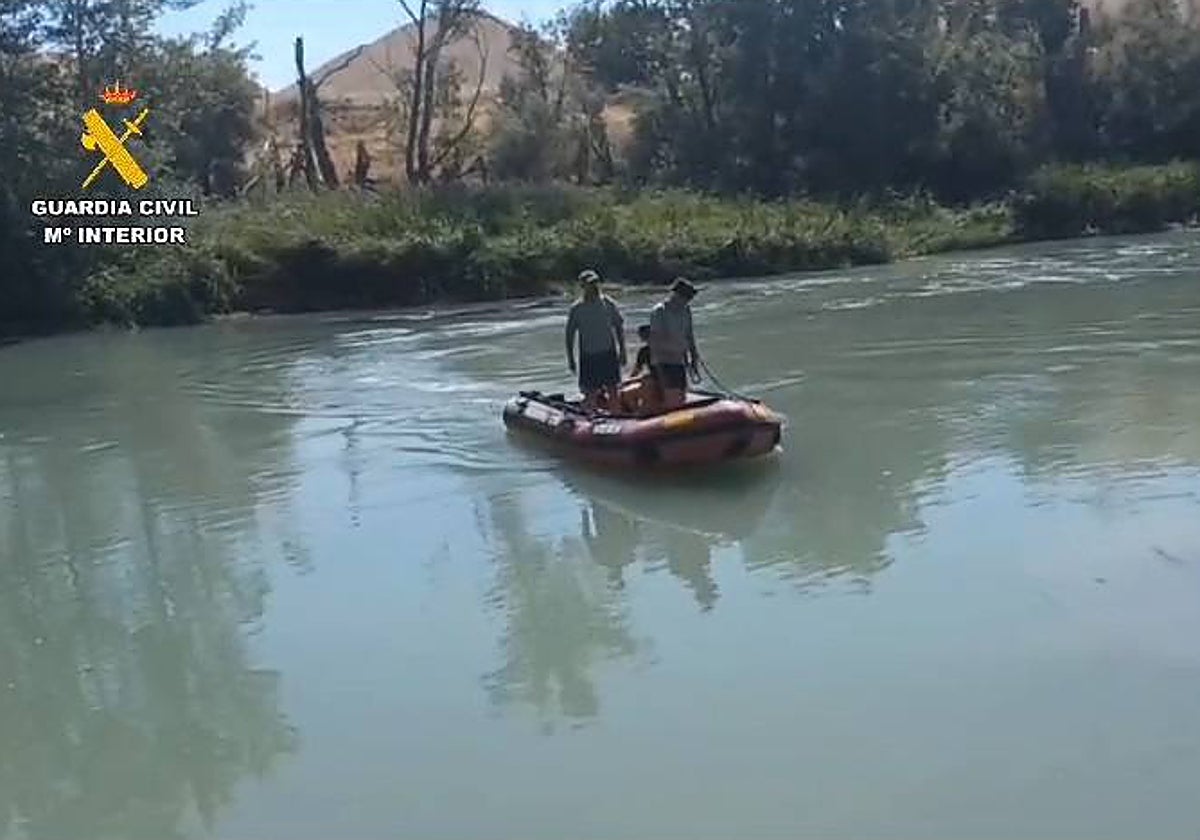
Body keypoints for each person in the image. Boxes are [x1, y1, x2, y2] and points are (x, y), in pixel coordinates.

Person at [566, 269, 627, 411]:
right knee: (590, 393)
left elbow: (618, 327)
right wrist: (571, 359)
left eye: (595, 283)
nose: (593, 287)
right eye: (589, 284)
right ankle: (591, 420)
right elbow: (569, 335)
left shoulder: (608, 303)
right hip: (589, 356)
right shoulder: (577, 308)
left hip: (608, 353)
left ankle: (616, 417)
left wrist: (623, 351)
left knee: (613, 391)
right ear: (582, 286)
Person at [648, 277, 701, 410]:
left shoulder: (686, 310)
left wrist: (694, 357)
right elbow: (655, 340)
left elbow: (689, 335)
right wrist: (673, 350)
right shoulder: (659, 311)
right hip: (663, 361)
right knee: (672, 398)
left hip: (679, 361)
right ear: (677, 295)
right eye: (687, 296)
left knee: (682, 396)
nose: (689, 300)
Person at [616, 324, 660, 415]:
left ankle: (636, 414)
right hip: (652, 379)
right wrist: (628, 381)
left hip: (654, 380)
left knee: (626, 393)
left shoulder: (650, 350)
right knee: (626, 389)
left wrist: (630, 380)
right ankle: (636, 412)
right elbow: (637, 370)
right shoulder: (645, 351)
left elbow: (639, 372)